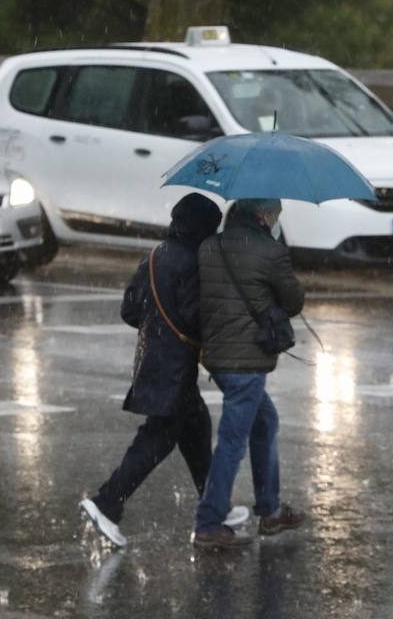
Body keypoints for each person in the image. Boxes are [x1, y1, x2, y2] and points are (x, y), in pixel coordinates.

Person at [80, 193, 248, 548]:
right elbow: (193, 317)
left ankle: (215, 505)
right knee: (156, 439)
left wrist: (157, 323)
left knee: (196, 426)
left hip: (156, 361)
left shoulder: (155, 256)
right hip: (174, 367)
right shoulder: (193, 262)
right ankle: (106, 503)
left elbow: (129, 310)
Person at [192, 197, 307, 550]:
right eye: (276, 215)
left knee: (264, 421)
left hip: (218, 358)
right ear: (263, 216)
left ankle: (270, 510)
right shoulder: (270, 252)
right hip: (247, 362)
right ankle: (209, 523)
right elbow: (293, 302)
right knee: (232, 441)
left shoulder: (209, 247)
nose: (277, 221)